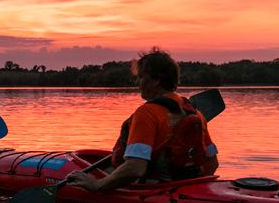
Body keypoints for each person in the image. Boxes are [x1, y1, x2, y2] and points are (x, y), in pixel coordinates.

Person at [67, 48, 218, 193]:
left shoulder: (147, 113)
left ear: (156, 80)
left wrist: (97, 185)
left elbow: (135, 168)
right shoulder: (195, 113)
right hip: (188, 183)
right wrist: (194, 191)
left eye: (141, 77)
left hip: (154, 188)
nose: (138, 83)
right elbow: (212, 163)